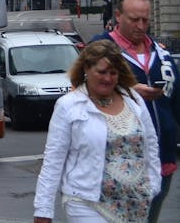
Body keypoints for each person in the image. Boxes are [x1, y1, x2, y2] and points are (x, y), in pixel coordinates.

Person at [92, 0, 180, 222]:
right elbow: (80, 89)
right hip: (119, 160)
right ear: (118, 16)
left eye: (145, 20)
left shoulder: (162, 54)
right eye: (134, 20)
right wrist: (127, 90)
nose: (141, 26)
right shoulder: (100, 48)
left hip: (162, 158)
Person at [34, 39, 160, 223]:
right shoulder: (68, 106)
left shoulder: (135, 101)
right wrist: (43, 210)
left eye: (113, 73)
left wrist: (153, 185)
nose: (107, 78)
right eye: (101, 72)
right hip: (86, 203)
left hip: (135, 205)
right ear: (86, 68)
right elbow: (53, 161)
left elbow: (151, 146)